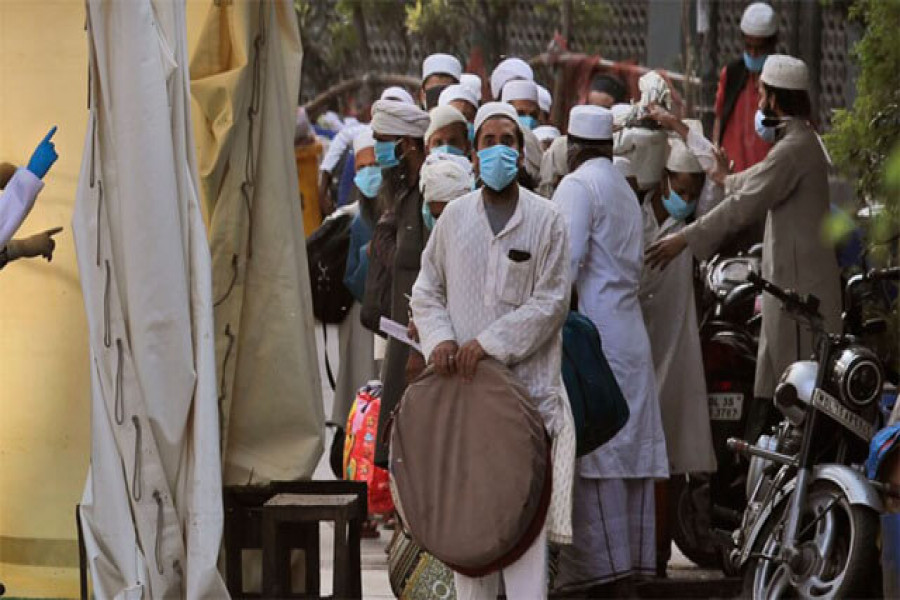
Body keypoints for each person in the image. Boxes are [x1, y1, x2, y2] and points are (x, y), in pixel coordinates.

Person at [411, 101, 575, 599]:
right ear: (474, 153)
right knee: (471, 549)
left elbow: (552, 303)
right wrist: (440, 339)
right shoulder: (453, 219)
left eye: (508, 141)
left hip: (528, 408)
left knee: (525, 554)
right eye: (489, 141)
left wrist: (488, 344)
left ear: (520, 153)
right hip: (466, 410)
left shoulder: (547, 220)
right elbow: (426, 290)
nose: (499, 150)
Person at [646, 55, 842, 432]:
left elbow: (742, 204)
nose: (759, 103)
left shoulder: (794, 149)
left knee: (792, 396)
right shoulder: (797, 143)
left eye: (763, 95)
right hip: (790, 289)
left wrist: (684, 239)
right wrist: (682, 130)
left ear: (775, 99)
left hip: (798, 297)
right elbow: (740, 180)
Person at [553, 105, 668, 596]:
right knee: (626, 451)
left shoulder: (578, 186)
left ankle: (603, 575)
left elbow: (564, 264)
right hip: (630, 333)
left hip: (595, 336)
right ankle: (627, 570)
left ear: (573, 147)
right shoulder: (622, 186)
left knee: (600, 451)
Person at [638, 121, 717, 574]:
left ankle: (659, 556)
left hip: (674, 350)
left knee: (669, 459)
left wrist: (681, 128)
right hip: (635, 348)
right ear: (662, 179)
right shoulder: (634, 212)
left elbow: (716, 172)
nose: (684, 199)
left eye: (692, 193)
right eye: (679, 189)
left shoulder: (692, 228)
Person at [366, 99, 431, 467]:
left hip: (421, 345)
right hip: (401, 337)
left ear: (405, 145)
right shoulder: (404, 195)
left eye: (381, 141)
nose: (377, 152)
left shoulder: (428, 196)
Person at [713, 2, 778, 173]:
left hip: (766, 175)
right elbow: (720, 117)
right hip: (732, 172)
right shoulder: (731, 74)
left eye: (759, 48)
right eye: (749, 47)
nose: (753, 54)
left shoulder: (781, 79)